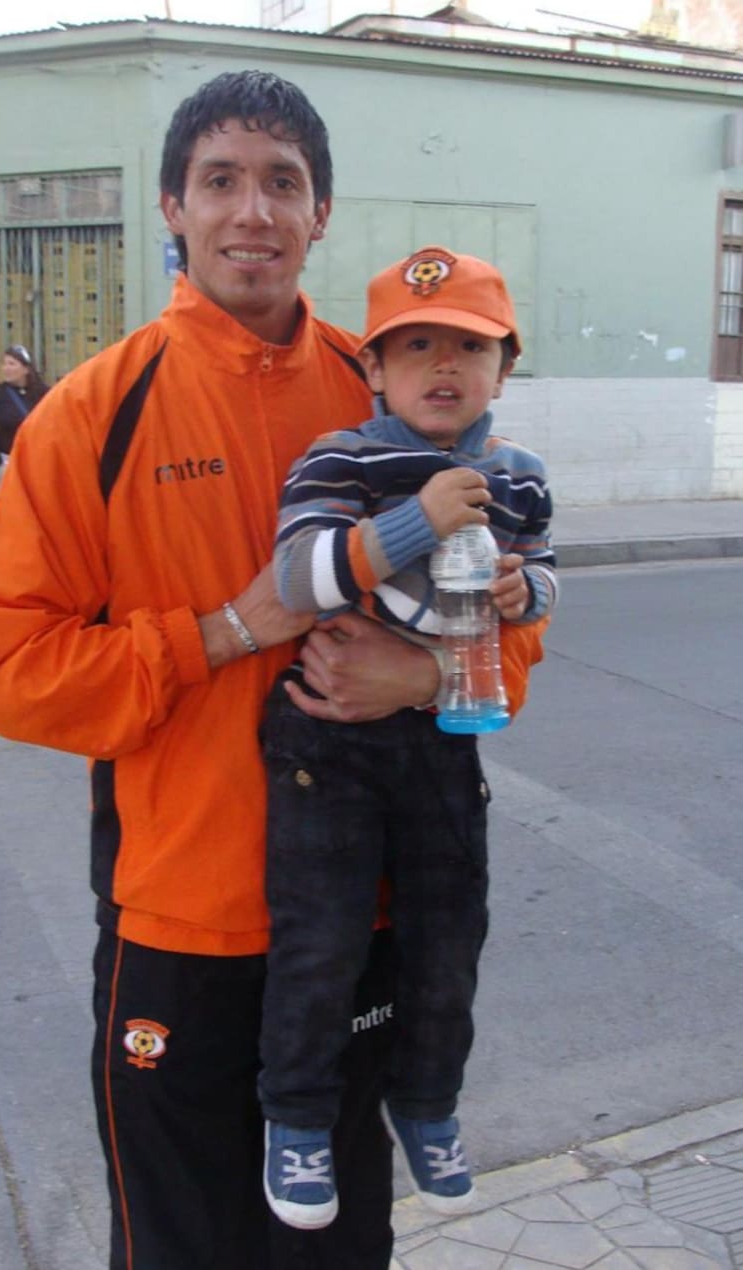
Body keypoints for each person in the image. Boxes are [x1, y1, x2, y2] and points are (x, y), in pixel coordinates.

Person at [0, 71, 545, 1270]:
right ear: (173, 205)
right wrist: (221, 629)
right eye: (221, 180)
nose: (253, 212)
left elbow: (508, 605)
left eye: (282, 183)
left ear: (320, 212)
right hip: (185, 920)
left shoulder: (387, 388)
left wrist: (426, 682)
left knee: (338, 1247)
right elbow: (11, 672)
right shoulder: (91, 415)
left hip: (363, 908)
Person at [259, 246, 555, 1230]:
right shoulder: (342, 458)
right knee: (321, 938)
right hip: (328, 750)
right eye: (414, 345)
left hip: (440, 744)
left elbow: (546, 579)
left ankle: (425, 1101)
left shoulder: (517, 476)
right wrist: (414, 522)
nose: (442, 366)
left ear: (502, 369)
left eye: (468, 347)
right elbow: (298, 579)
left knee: (448, 935)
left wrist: (522, 590)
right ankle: (295, 1118)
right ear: (371, 370)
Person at [0, 343, 49, 472]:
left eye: (12, 364)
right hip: (9, 461)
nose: (6, 368)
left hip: (39, 459)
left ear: (26, 369)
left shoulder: (43, 393)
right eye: (5, 364)